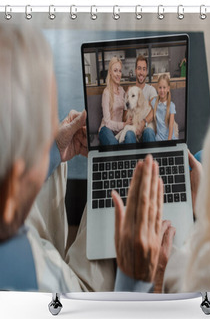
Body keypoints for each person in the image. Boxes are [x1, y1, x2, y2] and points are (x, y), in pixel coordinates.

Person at [113, 15, 210, 294]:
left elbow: (163, 123)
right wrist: (204, 211)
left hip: (161, 273)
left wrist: (150, 278)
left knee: (90, 218)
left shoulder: (195, 278)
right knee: (200, 156)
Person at [0, 25, 115, 292]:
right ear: (15, 182)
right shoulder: (38, 279)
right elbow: (86, 302)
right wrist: (136, 281)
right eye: (50, 125)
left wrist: (53, 150)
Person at [98, 57, 134, 145]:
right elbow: (107, 122)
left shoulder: (122, 91)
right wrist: (123, 124)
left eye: (120, 71)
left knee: (130, 136)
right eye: (115, 70)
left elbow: (128, 109)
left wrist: (130, 93)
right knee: (114, 144)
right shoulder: (106, 93)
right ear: (110, 72)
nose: (118, 74)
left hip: (119, 131)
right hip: (106, 129)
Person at [134, 55, 157, 142]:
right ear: (135, 70)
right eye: (139, 68)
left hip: (148, 126)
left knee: (148, 132)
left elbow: (154, 109)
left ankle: (151, 156)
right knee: (129, 134)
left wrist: (143, 123)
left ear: (146, 72)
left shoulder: (151, 90)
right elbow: (125, 117)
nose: (141, 72)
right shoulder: (131, 91)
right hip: (135, 126)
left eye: (144, 69)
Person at [151, 74, 178, 141]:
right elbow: (145, 105)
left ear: (168, 89)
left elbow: (171, 126)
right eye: (160, 87)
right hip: (158, 139)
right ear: (157, 88)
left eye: (164, 87)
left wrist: (168, 142)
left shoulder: (171, 106)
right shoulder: (154, 102)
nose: (162, 90)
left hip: (170, 139)